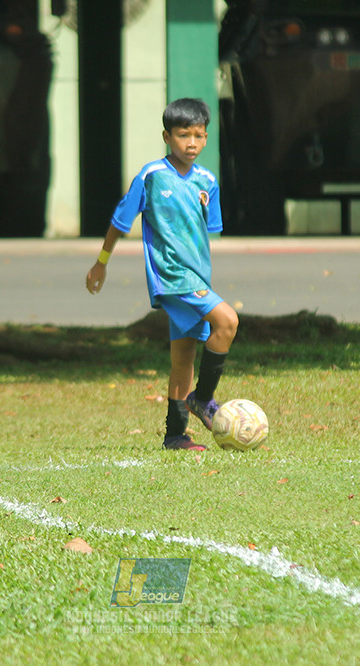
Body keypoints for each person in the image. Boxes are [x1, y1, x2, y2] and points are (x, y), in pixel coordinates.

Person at [85, 98, 239, 451]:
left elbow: (204, 230)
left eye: (200, 136)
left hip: (198, 277)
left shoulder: (207, 180)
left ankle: (175, 435)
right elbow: (119, 222)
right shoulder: (152, 176)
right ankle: (203, 398)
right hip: (171, 275)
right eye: (184, 135)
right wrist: (101, 262)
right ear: (167, 137)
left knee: (183, 355)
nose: (192, 143)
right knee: (227, 322)